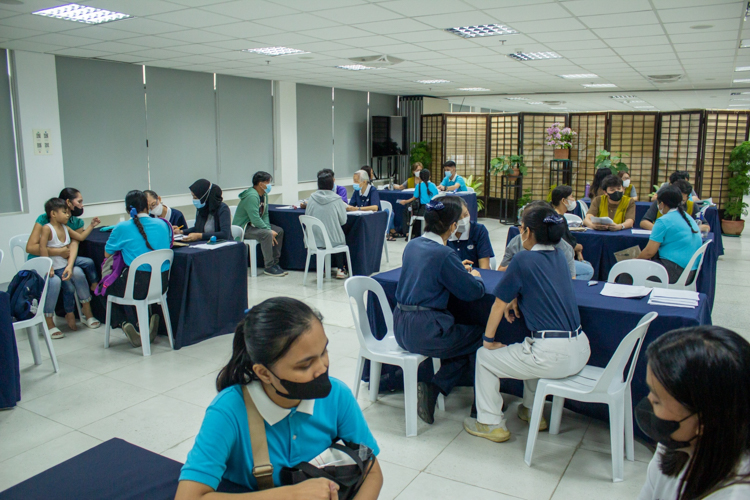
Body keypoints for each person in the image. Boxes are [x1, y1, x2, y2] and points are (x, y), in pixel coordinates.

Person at [175, 298, 383, 499]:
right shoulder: (229, 411)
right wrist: (290, 495)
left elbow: (372, 472)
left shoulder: (337, 397)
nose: (322, 368)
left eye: (323, 352)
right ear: (264, 373)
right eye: (304, 365)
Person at [464, 204, 591, 443]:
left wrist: (489, 341)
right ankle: (532, 411)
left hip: (552, 356)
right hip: (580, 349)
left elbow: (497, 305)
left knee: (484, 358)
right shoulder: (560, 257)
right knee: (529, 345)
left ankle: (490, 423)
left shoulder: (523, 259)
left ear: (529, 232)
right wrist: (517, 297)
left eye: (521, 228)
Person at [394, 196, 486, 425]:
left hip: (401, 327)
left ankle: (435, 388)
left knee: (462, 338)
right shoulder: (444, 254)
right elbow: (473, 292)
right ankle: (476, 404)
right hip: (425, 330)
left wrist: (455, 268)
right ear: (453, 226)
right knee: (480, 336)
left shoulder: (413, 244)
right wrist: (475, 276)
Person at [636, 325, 750, 500]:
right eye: (650, 391)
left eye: (658, 400)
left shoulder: (734, 495)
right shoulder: (675, 447)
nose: (648, 402)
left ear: (704, 422)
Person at [104, 190, 172, 348]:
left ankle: (127, 323)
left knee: (103, 287)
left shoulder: (122, 227)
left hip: (136, 286)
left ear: (128, 209)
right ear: (147, 206)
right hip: (161, 285)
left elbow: (107, 253)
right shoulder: (163, 224)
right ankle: (146, 322)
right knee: (131, 281)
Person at [39, 198, 100, 338]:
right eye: (64, 212)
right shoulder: (47, 228)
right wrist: (49, 267)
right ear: (53, 214)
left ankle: (87, 311)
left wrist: (91, 225)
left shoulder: (66, 228)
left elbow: (80, 237)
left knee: (78, 272)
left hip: (65, 265)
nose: (68, 215)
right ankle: (49, 320)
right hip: (54, 268)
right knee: (55, 283)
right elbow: (42, 247)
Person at [26, 187, 101, 293]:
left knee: (82, 269)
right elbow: (30, 247)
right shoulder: (44, 220)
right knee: (70, 276)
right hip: (45, 259)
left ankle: (86, 305)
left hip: (64, 260)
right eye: (79, 202)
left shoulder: (76, 223)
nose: (81, 205)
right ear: (68, 202)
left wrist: (69, 265)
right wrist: (58, 251)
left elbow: (75, 244)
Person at [637, 186, 703, 284]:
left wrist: (634, 261)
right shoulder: (687, 217)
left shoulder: (663, 221)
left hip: (675, 272)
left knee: (628, 273)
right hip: (689, 272)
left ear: (662, 204)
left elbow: (649, 252)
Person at [499, 202, 576, 278]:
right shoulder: (516, 242)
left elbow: (571, 279)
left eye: (523, 227)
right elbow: (500, 271)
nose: (521, 231)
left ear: (528, 231)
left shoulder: (520, 258)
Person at [233, 172, 287, 277]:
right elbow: (255, 218)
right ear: (260, 184)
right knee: (267, 234)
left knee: (279, 231)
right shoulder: (252, 196)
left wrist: (269, 228)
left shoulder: (264, 195)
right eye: (267, 182)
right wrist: (268, 230)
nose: (269, 185)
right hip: (245, 227)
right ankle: (269, 266)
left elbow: (265, 214)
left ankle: (275, 262)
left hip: (255, 225)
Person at [305, 170, 349, 279]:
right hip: (333, 240)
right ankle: (340, 269)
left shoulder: (311, 198)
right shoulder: (337, 199)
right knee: (338, 236)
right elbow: (343, 220)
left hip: (313, 240)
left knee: (326, 237)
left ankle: (323, 268)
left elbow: (307, 216)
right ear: (332, 184)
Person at [550, 186, 595, 281]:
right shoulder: (558, 220)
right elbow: (564, 243)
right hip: (557, 259)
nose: (574, 200)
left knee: (586, 264)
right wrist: (577, 247)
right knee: (589, 270)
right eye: (572, 197)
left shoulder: (554, 216)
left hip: (558, 256)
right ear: (563, 200)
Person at [447, 197, 494, 270]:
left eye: (466, 215)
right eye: (459, 218)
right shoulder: (444, 233)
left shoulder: (479, 230)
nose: (463, 220)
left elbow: (484, 268)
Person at [641, 180, 707, 231]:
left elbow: (706, 226)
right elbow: (644, 222)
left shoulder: (692, 206)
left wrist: (692, 229)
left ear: (688, 198)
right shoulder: (661, 203)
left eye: (682, 201)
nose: (678, 203)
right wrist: (660, 231)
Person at [397, 169, 438, 237]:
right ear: (430, 177)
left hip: (424, 210)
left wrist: (405, 201)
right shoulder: (433, 185)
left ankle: (409, 232)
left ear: (420, 177)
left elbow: (414, 198)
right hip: (433, 210)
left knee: (407, 211)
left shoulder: (419, 186)